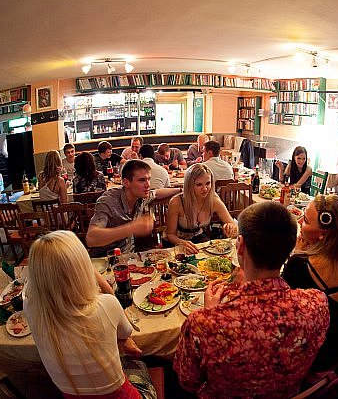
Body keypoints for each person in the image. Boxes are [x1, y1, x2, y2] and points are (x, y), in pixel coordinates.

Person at [174, 202, 330, 398]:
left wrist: (210, 313)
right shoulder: (317, 304)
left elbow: (187, 381)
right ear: (291, 246)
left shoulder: (204, 323)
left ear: (240, 245)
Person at [24, 230, 156, 398]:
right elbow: (125, 332)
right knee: (139, 364)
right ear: (84, 268)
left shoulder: (30, 307)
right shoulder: (107, 305)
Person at [282, 194, 338, 370]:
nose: (300, 222)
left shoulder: (300, 265)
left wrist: (297, 254)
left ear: (323, 233)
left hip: (317, 355)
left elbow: (282, 313)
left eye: (306, 221)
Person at [86, 160, 181, 256]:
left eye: (148, 179)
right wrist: (131, 228)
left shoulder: (141, 196)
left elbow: (156, 193)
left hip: (129, 257)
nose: (148, 184)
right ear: (126, 182)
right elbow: (91, 239)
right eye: (142, 180)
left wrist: (181, 190)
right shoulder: (108, 201)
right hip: (105, 259)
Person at [166, 163, 238, 253]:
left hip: (198, 237)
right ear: (189, 185)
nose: (205, 189)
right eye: (199, 184)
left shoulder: (213, 200)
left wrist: (231, 227)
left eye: (208, 183)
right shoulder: (176, 202)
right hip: (176, 241)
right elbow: (170, 235)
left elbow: (233, 224)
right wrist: (182, 243)